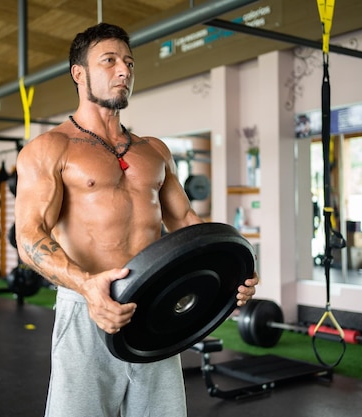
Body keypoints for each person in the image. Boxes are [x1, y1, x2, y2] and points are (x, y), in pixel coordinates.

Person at [14, 22, 259, 417]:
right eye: (109, 61)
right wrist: (88, 287)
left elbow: (185, 222)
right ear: (79, 73)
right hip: (88, 307)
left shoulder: (154, 151)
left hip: (154, 303)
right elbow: (29, 237)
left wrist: (231, 275)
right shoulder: (50, 148)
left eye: (128, 62)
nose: (124, 71)